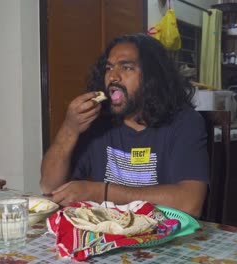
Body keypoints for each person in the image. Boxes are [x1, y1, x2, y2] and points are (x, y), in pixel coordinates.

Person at [40, 33, 209, 217]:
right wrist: (69, 128)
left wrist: (101, 192)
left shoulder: (184, 122)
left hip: (164, 235)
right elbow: (50, 187)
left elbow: (190, 203)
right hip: (108, 233)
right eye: (109, 68)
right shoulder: (98, 121)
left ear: (152, 77)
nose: (113, 76)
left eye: (126, 67)